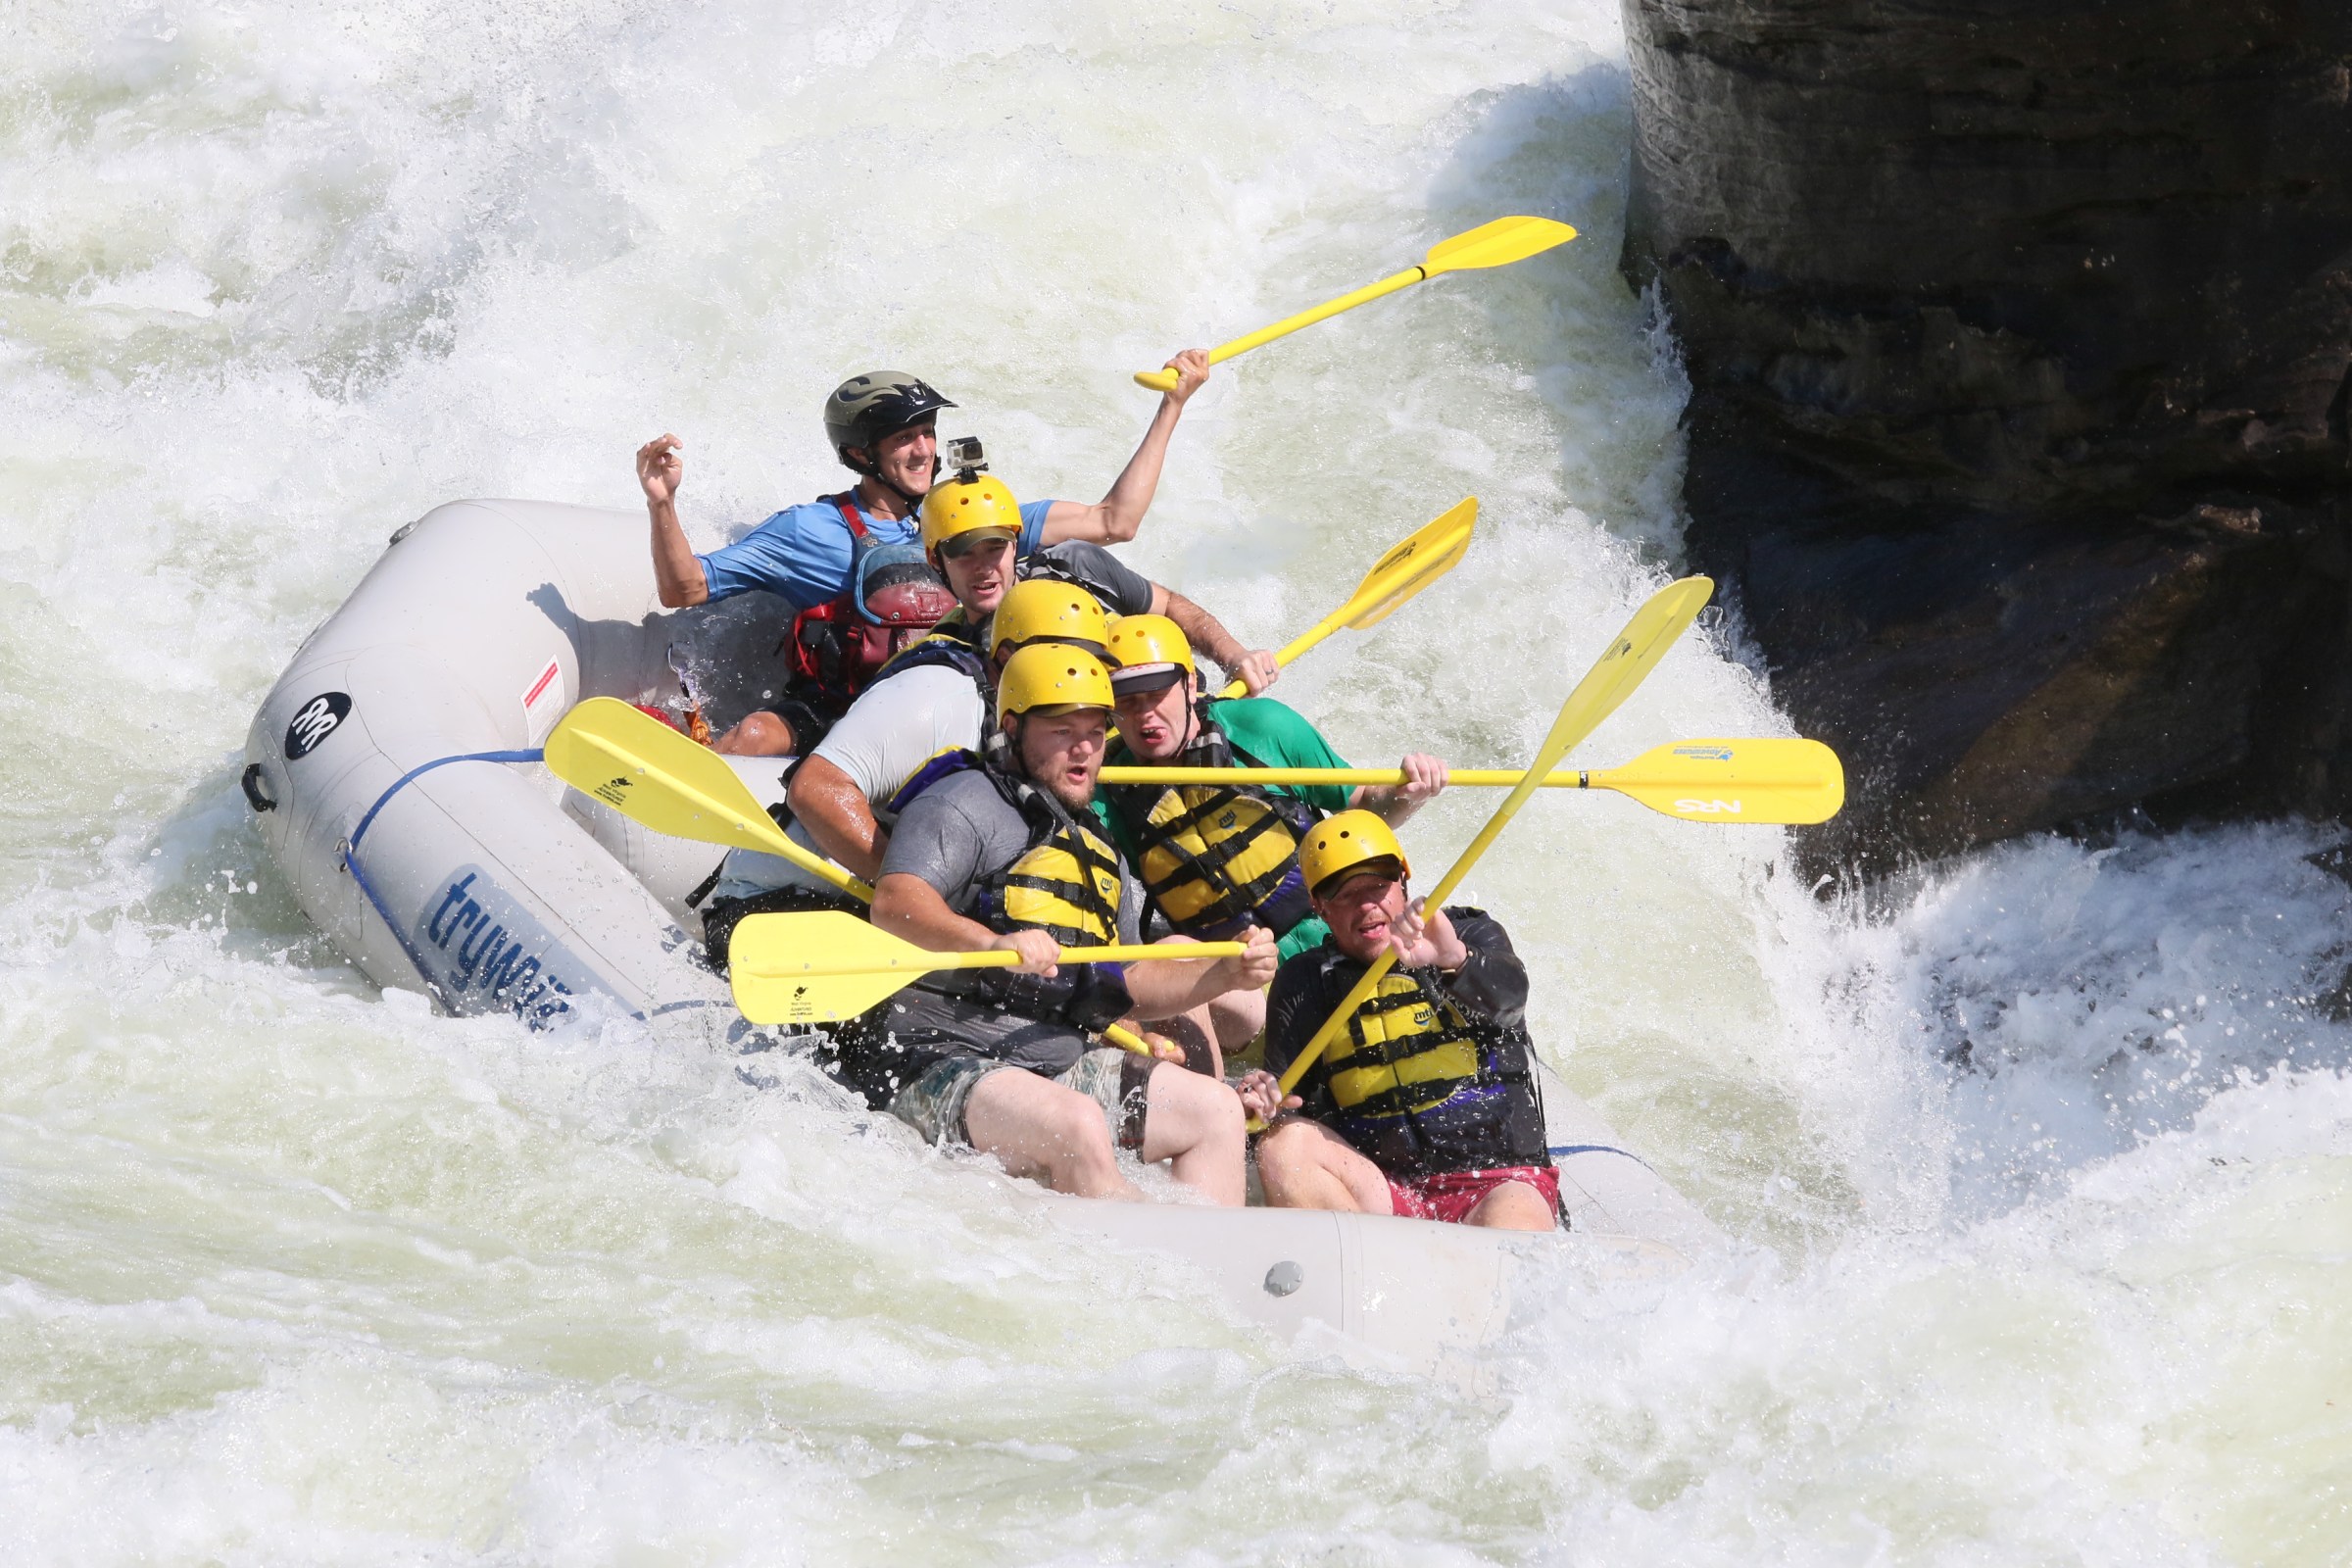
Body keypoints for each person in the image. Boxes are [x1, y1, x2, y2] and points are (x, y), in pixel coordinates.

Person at [841, 645, 1279, 1203]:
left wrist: (1224, 975)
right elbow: (897, 902)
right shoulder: (961, 802)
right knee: (1077, 1127)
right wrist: (994, 941)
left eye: (1095, 732)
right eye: (1062, 731)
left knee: (1215, 1111)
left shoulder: (1098, 848)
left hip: (1057, 1064)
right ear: (1012, 729)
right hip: (936, 1065)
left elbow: (1127, 987)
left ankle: (1213, 1271)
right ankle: (1141, 1271)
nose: (1084, 750)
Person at [633, 353, 1212, 752]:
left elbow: (1115, 520)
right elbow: (684, 589)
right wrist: (664, 503)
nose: (924, 450)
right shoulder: (813, 530)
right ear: (862, 454)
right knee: (755, 738)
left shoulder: (972, 516)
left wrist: (1173, 406)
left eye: (928, 432)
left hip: (963, 710)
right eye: (904, 438)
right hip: (847, 708)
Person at [1092, 614, 1447, 1060]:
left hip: (1338, 942)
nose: (1145, 714)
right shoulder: (1106, 790)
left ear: (1188, 687)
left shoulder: (1261, 727)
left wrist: (1407, 794)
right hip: (1244, 986)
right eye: (1126, 700)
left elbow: (1361, 806)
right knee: (1172, 954)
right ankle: (1216, 1113)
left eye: (1158, 692)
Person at [1251, 811, 1557, 1231]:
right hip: (1386, 1192)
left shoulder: (1468, 934)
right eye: (1345, 894)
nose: (1367, 905)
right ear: (1318, 907)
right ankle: (1364, 1277)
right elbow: (1285, 1101)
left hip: (1497, 1179)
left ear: (1403, 883)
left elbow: (1512, 1001)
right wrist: (1261, 1103)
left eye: (1379, 885)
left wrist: (1453, 961)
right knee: (1281, 1147)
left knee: (1514, 1219)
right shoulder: (1305, 980)